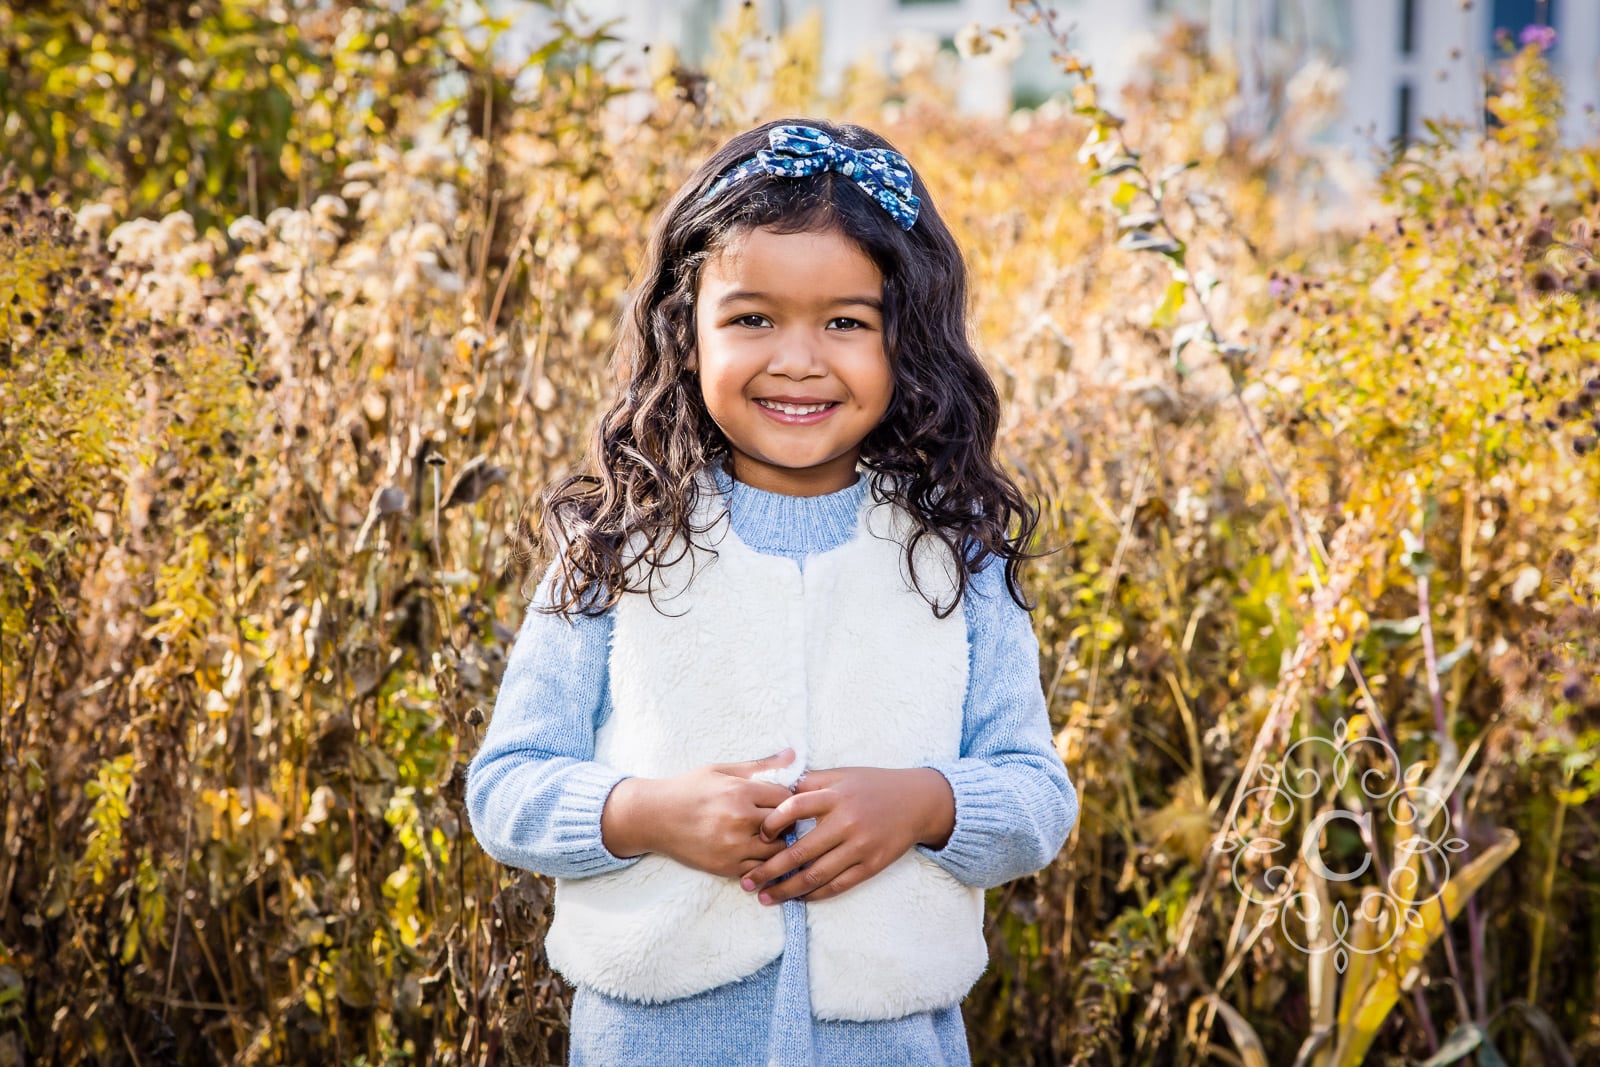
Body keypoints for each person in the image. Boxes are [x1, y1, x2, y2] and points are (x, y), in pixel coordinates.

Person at [466, 118, 1078, 1067]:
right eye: (753, 318)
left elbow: (1038, 797)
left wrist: (925, 806)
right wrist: (645, 813)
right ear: (688, 327)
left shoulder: (957, 558)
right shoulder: (618, 547)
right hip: (654, 1041)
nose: (798, 358)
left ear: (905, 338)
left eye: (845, 321)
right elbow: (507, 788)